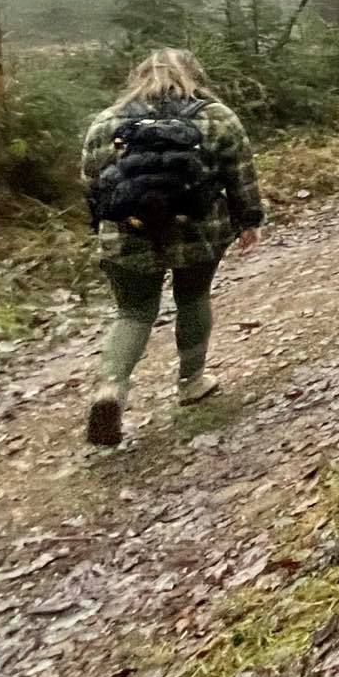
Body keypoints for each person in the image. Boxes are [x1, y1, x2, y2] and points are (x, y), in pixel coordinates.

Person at [79, 48, 264, 446]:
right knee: (193, 296)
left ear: (139, 77)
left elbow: (93, 183)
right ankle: (192, 381)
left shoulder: (107, 120)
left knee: (132, 311)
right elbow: (241, 174)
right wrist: (249, 220)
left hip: (126, 235)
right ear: (193, 74)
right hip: (198, 231)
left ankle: (111, 388)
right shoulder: (216, 116)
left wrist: (101, 226)